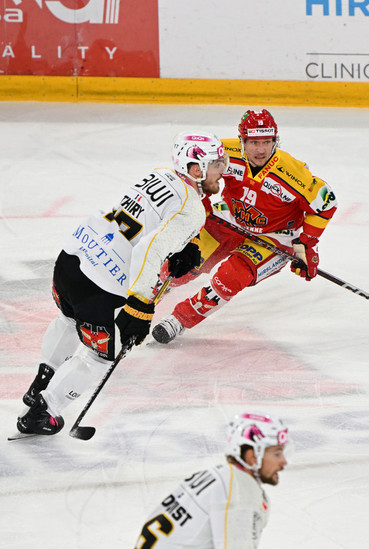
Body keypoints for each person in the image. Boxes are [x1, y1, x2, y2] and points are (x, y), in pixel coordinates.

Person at [16, 131, 227, 436]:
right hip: (98, 286)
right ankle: (42, 413)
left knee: (67, 318)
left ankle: (42, 382)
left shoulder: (161, 174)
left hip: (72, 259)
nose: (224, 169)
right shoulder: (193, 209)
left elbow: (153, 219)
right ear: (196, 169)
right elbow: (149, 249)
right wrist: (140, 306)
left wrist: (186, 242)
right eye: (217, 163)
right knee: (100, 356)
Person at [151, 109, 338, 344]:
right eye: (254, 142)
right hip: (230, 219)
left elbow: (325, 204)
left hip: (276, 236)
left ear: (275, 140)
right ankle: (151, 290)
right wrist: (203, 202)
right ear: (242, 140)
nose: (261, 150)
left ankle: (180, 319)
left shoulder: (292, 173)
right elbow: (195, 173)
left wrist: (306, 246)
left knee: (231, 277)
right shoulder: (224, 153)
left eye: (267, 142)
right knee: (187, 260)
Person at [133, 412, 289, 549]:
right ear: (252, 456)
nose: (284, 462)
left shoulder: (223, 477)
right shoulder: (240, 490)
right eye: (277, 454)